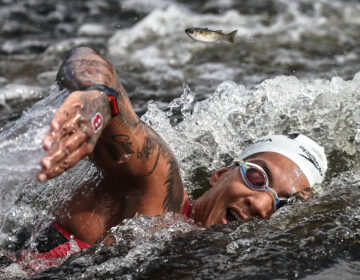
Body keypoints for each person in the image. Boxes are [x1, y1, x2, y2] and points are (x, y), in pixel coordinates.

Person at [31, 47, 327, 263]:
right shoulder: (157, 189)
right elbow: (89, 60)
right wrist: (97, 95)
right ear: (221, 173)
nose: (263, 203)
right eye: (257, 176)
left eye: (283, 205)